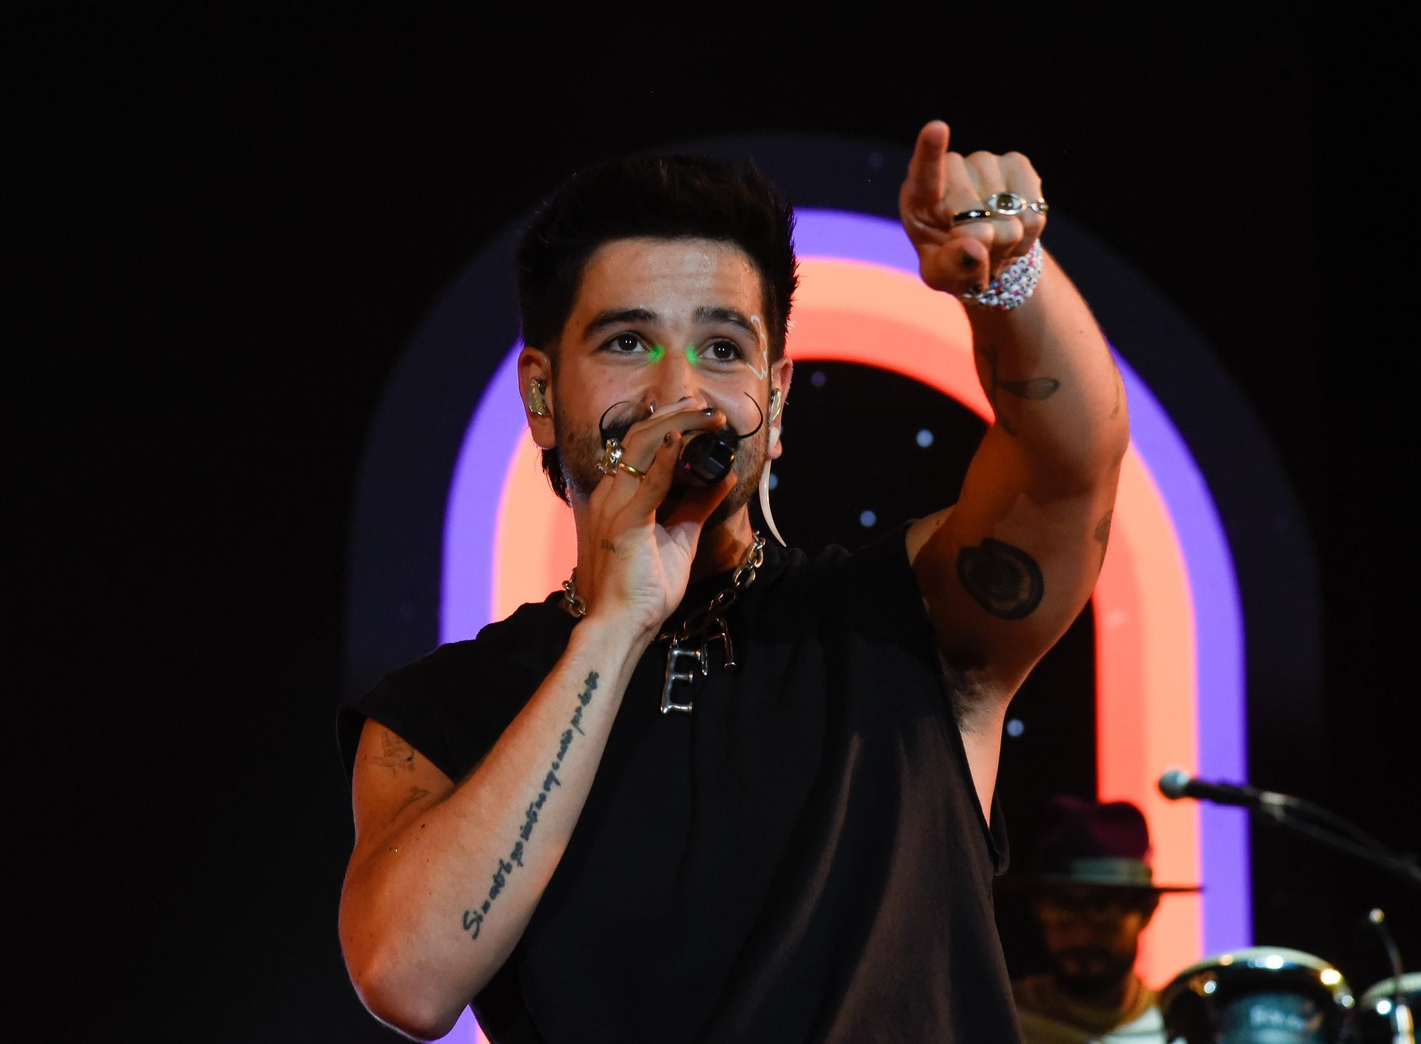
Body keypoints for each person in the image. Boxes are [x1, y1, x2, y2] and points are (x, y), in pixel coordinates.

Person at [336, 120, 1129, 1043]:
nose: (683, 389)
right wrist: (616, 622)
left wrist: (1007, 277)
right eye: (629, 343)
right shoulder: (444, 709)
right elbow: (407, 978)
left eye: (722, 349)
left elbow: (1072, 469)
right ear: (543, 399)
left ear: (779, 398)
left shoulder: (902, 623)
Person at [1008, 796, 1200, 1044]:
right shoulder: (1000, 1019)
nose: (1081, 936)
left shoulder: (1183, 1030)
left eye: (1102, 910)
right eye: (1062, 910)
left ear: (1146, 911)